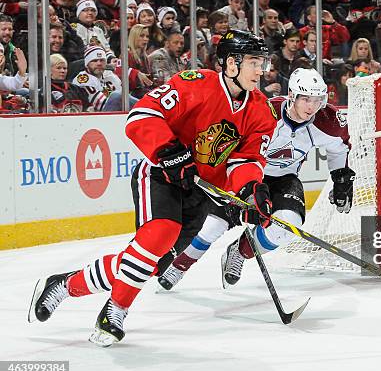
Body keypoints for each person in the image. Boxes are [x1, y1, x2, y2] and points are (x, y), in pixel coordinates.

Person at [28, 30, 277, 347]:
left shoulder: (260, 109)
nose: (261, 70)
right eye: (254, 62)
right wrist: (169, 152)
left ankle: (65, 285)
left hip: (201, 193)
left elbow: (245, 159)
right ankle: (114, 311)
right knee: (157, 237)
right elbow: (142, 115)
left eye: (262, 62)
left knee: (148, 262)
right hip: (161, 176)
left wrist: (250, 190)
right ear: (231, 63)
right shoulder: (195, 84)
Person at [156, 67, 354, 290]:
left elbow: (339, 147)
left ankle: (240, 251)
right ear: (292, 96)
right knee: (213, 225)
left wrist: (340, 177)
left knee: (287, 225)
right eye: (306, 99)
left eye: (317, 100)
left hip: (283, 178)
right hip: (245, 173)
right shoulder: (265, 112)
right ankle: (181, 264)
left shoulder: (327, 120)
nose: (312, 106)